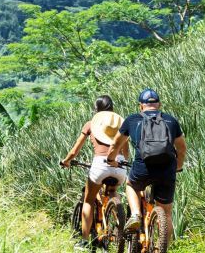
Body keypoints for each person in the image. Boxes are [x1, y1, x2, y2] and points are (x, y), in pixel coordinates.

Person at [105, 88, 187, 238]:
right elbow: (181, 148)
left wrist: (111, 159)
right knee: (167, 214)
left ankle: (136, 214)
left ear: (140, 106)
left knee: (131, 184)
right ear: (159, 104)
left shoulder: (132, 120)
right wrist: (178, 166)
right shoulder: (171, 120)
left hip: (143, 167)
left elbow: (115, 145)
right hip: (167, 169)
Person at [60, 95, 127, 243]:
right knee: (113, 191)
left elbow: (74, 151)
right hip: (120, 165)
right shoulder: (121, 126)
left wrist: (66, 161)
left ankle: (84, 240)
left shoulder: (91, 124)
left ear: (96, 110)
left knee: (88, 200)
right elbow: (126, 152)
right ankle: (119, 223)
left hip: (100, 165)